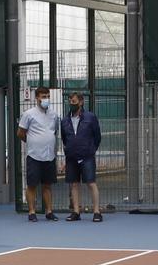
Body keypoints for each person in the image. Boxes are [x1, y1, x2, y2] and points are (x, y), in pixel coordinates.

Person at [16, 85, 59, 222]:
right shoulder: (28, 114)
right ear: (37, 99)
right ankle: (32, 212)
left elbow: (54, 132)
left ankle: (49, 211)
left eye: (47, 96)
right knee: (32, 185)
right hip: (34, 155)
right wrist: (33, 142)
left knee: (47, 185)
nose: (46, 99)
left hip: (49, 156)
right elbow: (20, 133)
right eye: (43, 97)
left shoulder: (54, 115)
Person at [60, 91, 104, 221]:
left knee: (91, 183)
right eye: (70, 102)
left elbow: (97, 137)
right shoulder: (64, 121)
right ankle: (76, 211)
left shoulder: (90, 117)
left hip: (87, 156)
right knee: (73, 184)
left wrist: (91, 150)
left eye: (74, 101)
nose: (71, 104)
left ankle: (96, 211)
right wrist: (69, 150)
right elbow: (64, 138)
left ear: (81, 102)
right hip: (71, 157)